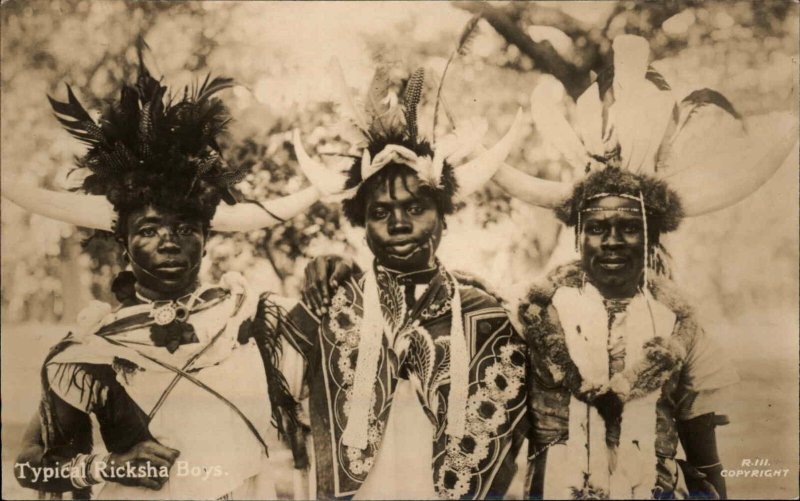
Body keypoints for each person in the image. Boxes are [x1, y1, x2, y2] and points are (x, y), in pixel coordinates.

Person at [10, 47, 326, 500]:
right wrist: (108, 465)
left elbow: (339, 388)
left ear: (206, 236)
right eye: (149, 229)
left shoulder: (253, 321)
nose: (168, 241)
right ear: (123, 242)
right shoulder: (93, 347)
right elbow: (32, 468)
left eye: (184, 228)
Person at [489, 35, 796, 499]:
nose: (613, 240)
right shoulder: (532, 317)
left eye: (629, 227)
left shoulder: (680, 326)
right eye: (597, 227)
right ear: (578, 234)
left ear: (649, 234)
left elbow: (705, 456)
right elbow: (500, 451)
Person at [271, 62, 530, 499]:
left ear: (443, 218)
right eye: (380, 212)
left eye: (416, 208)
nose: (399, 224)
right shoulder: (330, 304)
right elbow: (275, 390)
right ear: (363, 225)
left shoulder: (486, 313)